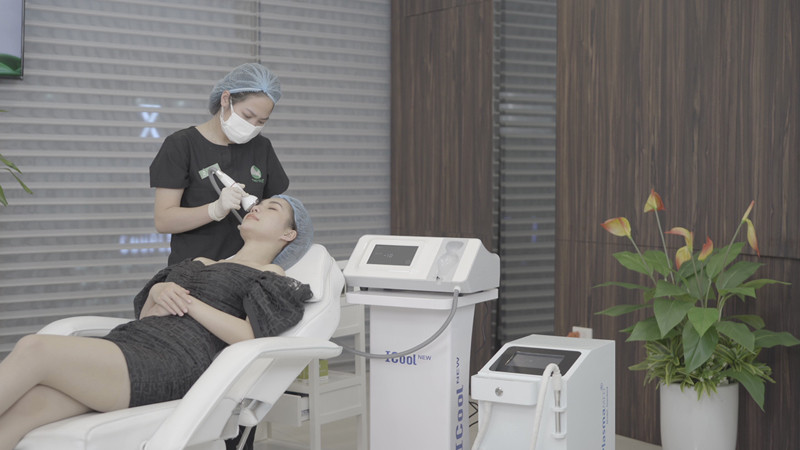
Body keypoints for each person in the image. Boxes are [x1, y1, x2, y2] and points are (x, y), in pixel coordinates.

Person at [0, 195, 314, 450]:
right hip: (134, 342)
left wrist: (190, 303)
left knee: (35, 348)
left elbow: (248, 337)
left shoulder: (271, 275)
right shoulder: (201, 262)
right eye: (259, 203)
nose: (256, 207)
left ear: (288, 235)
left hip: (174, 361)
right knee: (24, 411)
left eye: (272, 208)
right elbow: (149, 318)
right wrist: (157, 291)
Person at [150, 62, 291, 267]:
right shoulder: (182, 145)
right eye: (247, 116)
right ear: (226, 99)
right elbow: (163, 221)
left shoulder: (261, 148)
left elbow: (276, 216)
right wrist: (214, 210)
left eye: (261, 122)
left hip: (245, 270)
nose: (252, 126)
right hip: (192, 271)